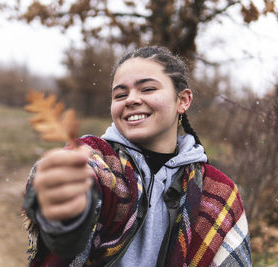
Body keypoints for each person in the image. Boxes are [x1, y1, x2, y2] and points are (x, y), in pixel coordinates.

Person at [23, 46, 251, 267]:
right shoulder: (93, 159)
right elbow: (64, 230)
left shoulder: (218, 192)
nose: (131, 99)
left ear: (183, 101)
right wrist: (61, 206)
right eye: (120, 94)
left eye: (148, 89)